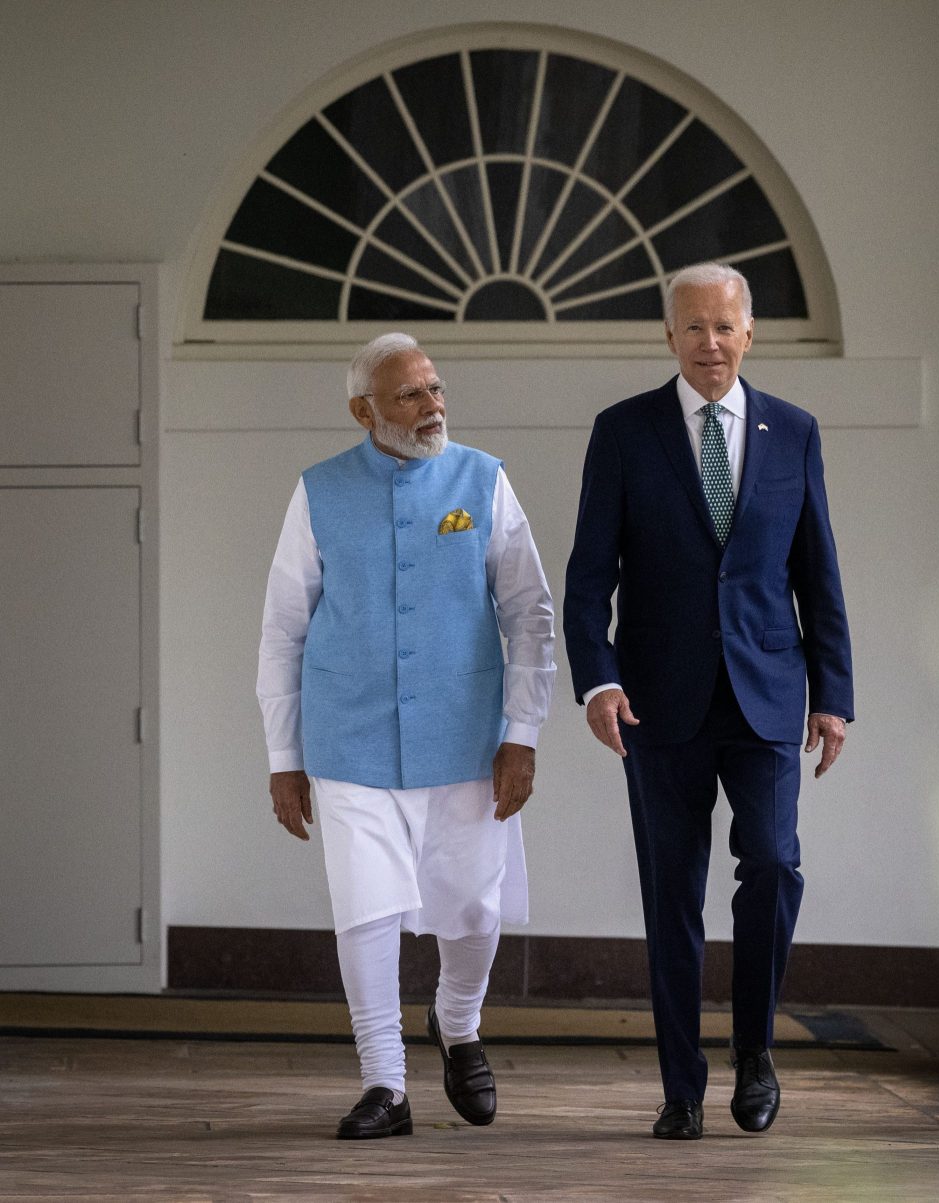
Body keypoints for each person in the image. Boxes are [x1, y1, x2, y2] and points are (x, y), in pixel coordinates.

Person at [563, 262, 854, 1140]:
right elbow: (588, 579)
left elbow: (818, 572)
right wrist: (599, 678)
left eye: (724, 327)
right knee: (671, 892)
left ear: (750, 332)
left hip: (768, 692)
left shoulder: (793, 431)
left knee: (771, 862)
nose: (710, 343)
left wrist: (832, 695)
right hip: (659, 703)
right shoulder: (624, 432)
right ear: (669, 336)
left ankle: (756, 1053)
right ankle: (680, 1084)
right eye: (693, 328)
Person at [257, 333, 555, 1140]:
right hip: (348, 738)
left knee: (473, 911)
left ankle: (458, 1023)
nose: (433, 407)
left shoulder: (482, 480)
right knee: (365, 909)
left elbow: (530, 611)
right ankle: (384, 1082)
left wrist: (522, 732)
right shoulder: (318, 491)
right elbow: (283, 628)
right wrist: (285, 758)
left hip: (466, 735)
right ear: (364, 411)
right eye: (410, 396)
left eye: (435, 388)